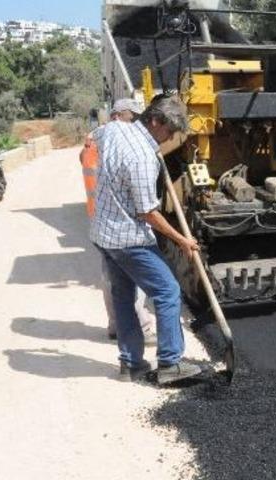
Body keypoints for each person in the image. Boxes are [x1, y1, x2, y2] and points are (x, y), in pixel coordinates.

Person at [90, 96, 202, 384]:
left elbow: (97, 135)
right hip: (129, 239)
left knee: (124, 298)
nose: (169, 139)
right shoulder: (142, 158)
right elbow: (148, 213)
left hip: (104, 234)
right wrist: (182, 240)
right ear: (155, 121)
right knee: (167, 291)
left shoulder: (115, 129)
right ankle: (170, 363)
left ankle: (131, 365)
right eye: (169, 132)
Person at [81, 99, 157, 343]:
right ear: (117, 116)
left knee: (111, 278)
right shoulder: (112, 142)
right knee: (132, 278)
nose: (135, 123)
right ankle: (142, 327)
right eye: (132, 118)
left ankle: (116, 325)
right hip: (118, 218)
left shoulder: (95, 140)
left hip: (100, 218)